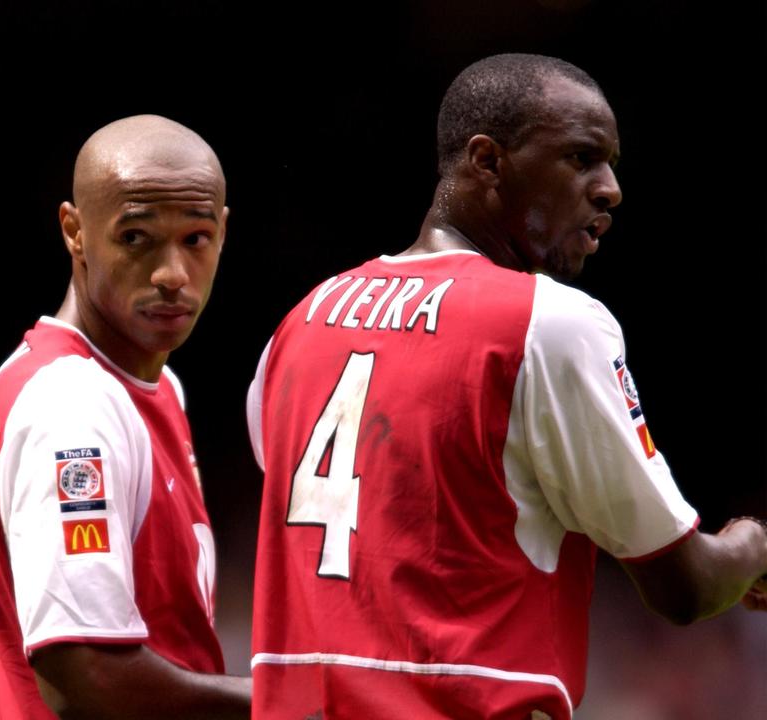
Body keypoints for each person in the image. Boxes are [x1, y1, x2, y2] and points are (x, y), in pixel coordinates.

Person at [246, 53, 767, 719]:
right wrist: (753, 543)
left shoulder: (300, 322)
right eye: (581, 159)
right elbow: (685, 586)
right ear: (487, 161)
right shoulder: (546, 323)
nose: (610, 188)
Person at [0, 114, 252, 719]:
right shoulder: (72, 406)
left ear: (223, 232)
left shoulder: (150, 387)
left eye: (195, 238)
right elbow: (86, 676)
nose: (172, 274)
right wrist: (293, 705)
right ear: (74, 231)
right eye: (136, 238)